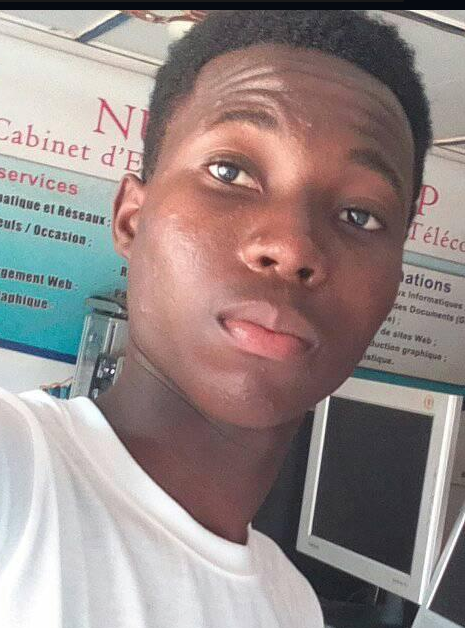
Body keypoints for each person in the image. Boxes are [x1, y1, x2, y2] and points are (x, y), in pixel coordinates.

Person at [0, 9, 431, 628]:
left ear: (393, 284)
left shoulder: (291, 607)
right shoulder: (20, 474)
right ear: (131, 221)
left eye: (359, 215)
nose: (293, 246)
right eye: (230, 172)